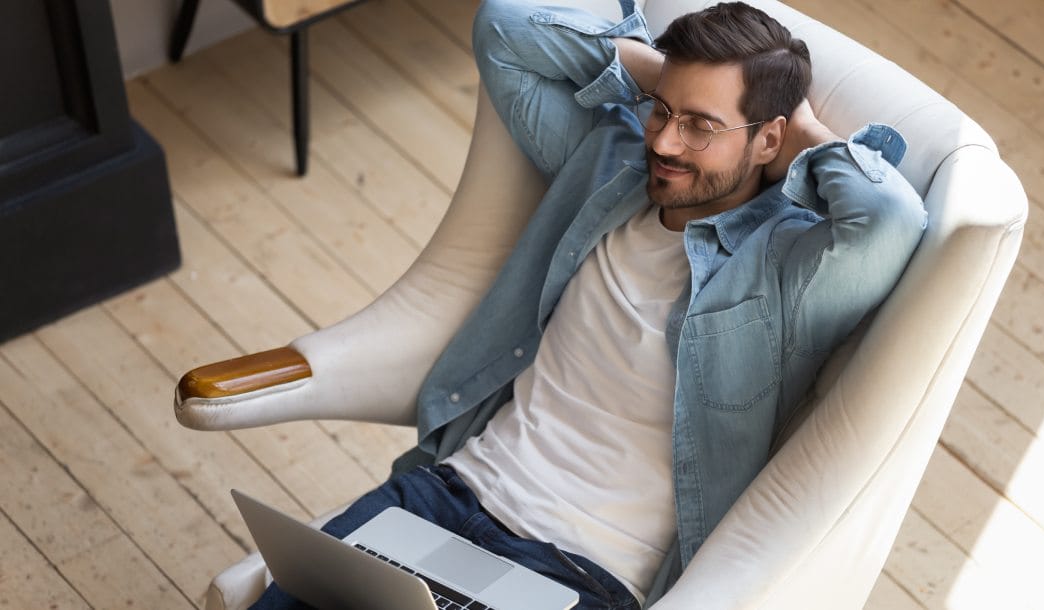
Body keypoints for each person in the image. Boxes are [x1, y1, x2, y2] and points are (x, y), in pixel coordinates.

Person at [252, 0, 926, 608]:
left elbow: (891, 220)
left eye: (701, 127)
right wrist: (662, 75)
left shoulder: (785, 268)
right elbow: (504, 31)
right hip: (447, 494)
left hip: (584, 574)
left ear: (768, 139)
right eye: (665, 111)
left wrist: (804, 134)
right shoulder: (611, 162)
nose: (664, 142)